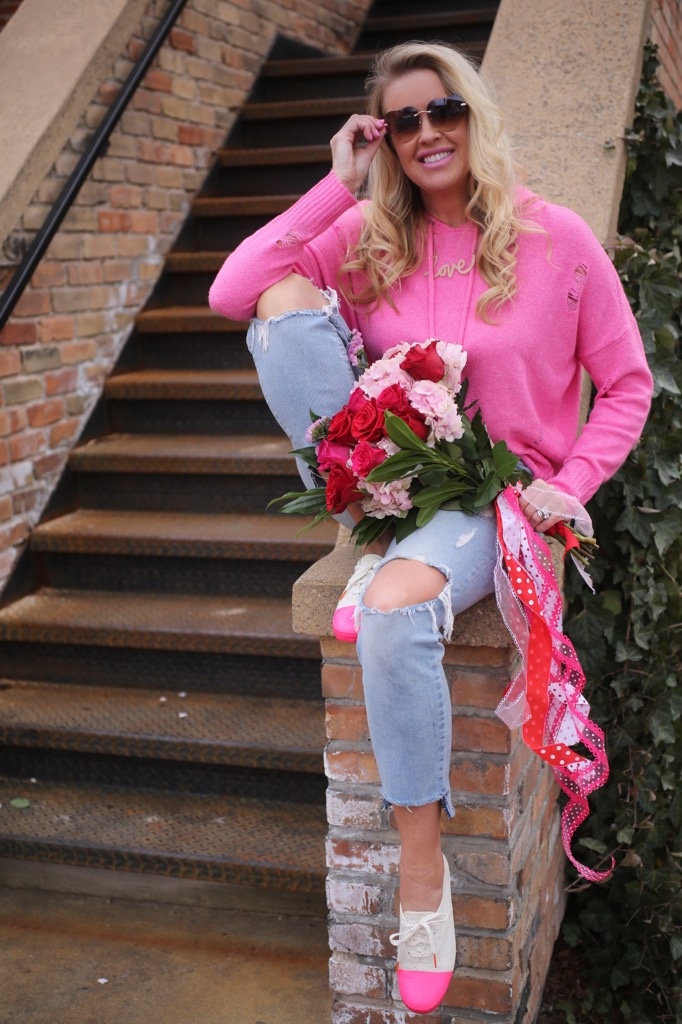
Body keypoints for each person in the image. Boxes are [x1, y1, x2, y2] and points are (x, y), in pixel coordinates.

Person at [208, 41, 652, 1014]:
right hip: (389, 481)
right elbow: (232, 291)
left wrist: (569, 481)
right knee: (283, 310)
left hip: (495, 496)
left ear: (474, 114)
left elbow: (624, 386)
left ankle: (423, 871)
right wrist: (334, 186)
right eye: (401, 121)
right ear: (384, 139)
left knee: (401, 616)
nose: (424, 133)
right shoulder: (370, 233)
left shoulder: (556, 238)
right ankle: (370, 529)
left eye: (441, 109)